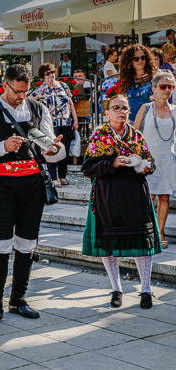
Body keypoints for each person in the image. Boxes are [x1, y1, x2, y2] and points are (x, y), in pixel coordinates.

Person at [0, 64, 60, 329]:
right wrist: (2, 147)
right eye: (17, 91)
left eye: (25, 91)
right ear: (5, 85)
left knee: (28, 243)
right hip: (4, 184)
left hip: (32, 183)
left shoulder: (38, 109)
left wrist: (55, 147)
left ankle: (18, 299)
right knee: (1, 243)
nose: (21, 96)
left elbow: (48, 148)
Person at [82, 94, 161, 309]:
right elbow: (87, 168)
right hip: (108, 195)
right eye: (115, 108)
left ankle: (146, 290)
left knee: (142, 243)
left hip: (135, 194)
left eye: (124, 108)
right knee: (109, 244)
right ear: (106, 113)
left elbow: (150, 162)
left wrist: (147, 167)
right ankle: (116, 289)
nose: (121, 111)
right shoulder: (99, 136)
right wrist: (113, 162)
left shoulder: (136, 136)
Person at [133, 72, 176, 249]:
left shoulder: (175, 110)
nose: (167, 90)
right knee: (147, 197)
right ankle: (147, 231)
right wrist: (136, 156)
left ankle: (160, 232)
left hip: (168, 159)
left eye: (171, 87)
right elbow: (135, 133)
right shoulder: (145, 108)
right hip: (148, 158)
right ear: (154, 89)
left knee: (164, 197)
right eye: (163, 86)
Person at [31, 63, 78, 187]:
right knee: (52, 148)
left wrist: (75, 119)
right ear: (43, 76)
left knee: (64, 149)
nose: (51, 75)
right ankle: (53, 177)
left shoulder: (63, 85)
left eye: (52, 72)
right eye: (48, 73)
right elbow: (30, 100)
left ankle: (62, 176)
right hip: (51, 124)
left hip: (66, 122)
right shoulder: (42, 89)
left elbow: (71, 103)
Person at [119, 44, 157, 124]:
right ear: (130, 61)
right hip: (131, 121)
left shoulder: (154, 76)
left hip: (150, 120)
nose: (140, 61)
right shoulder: (127, 78)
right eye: (136, 59)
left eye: (143, 57)